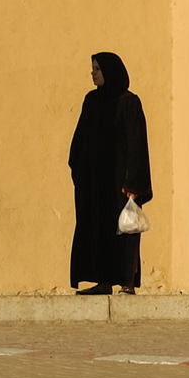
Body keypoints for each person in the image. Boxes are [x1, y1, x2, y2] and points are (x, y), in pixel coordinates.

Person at [68, 51, 152, 292]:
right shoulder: (91, 101)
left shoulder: (128, 102)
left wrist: (133, 183)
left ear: (110, 71)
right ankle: (102, 282)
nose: (93, 73)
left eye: (97, 69)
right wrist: (80, 171)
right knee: (97, 229)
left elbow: (137, 144)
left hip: (121, 184)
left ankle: (127, 283)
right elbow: (81, 140)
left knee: (124, 231)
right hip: (95, 183)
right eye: (93, 68)